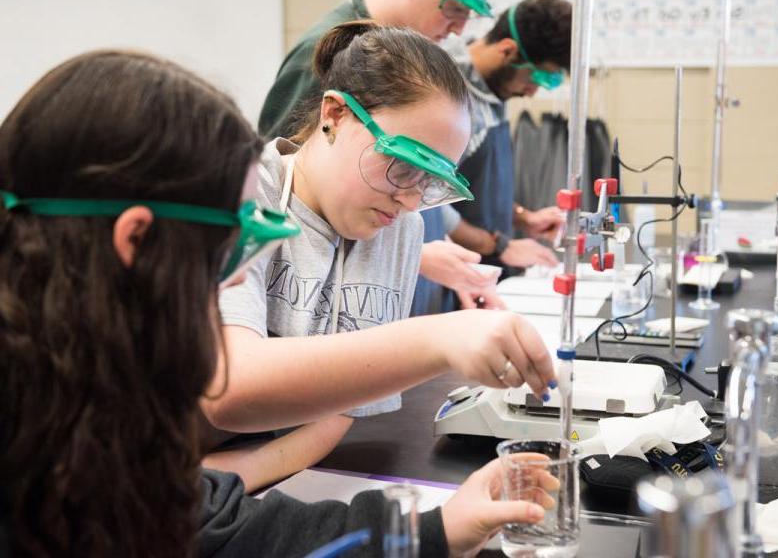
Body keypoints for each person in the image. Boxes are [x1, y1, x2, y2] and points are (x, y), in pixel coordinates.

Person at [0, 49, 554, 558]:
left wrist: (434, 530)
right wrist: (436, 340)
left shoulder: (76, 394)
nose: (238, 280)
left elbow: (208, 520)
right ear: (137, 241)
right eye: (235, 245)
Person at [205, 21, 556, 491]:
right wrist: (437, 339)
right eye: (402, 167)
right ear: (334, 115)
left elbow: (342, 412)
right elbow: (232, 388)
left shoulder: (398, 228)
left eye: (429, 183)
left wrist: (236, 479)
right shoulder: (247, 195)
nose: (411, 202)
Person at [259, 0, 508, 314]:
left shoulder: (403, 228)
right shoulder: (320, 59)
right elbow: (291, 198)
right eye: (455, 7)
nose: (458, 28)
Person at [415, 0, 573, 312]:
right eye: (539, 77)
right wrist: (501, 245)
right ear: (507, 51)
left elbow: (471, 187)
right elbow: (429, 202)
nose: (533, 92)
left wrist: (522, 217)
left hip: (485, 272)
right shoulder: (446, 92)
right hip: (450, 280)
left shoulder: (494, 91)